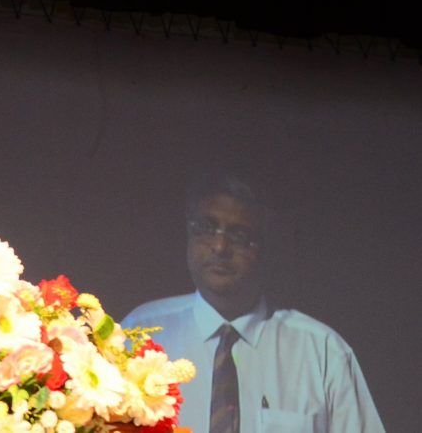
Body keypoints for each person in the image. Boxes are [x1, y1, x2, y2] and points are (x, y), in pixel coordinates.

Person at [122, 171, 384, 433]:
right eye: (207, 228)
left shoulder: (322, 353)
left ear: (266, 246)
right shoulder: (140, 334)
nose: (220, 246)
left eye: (239, 235)